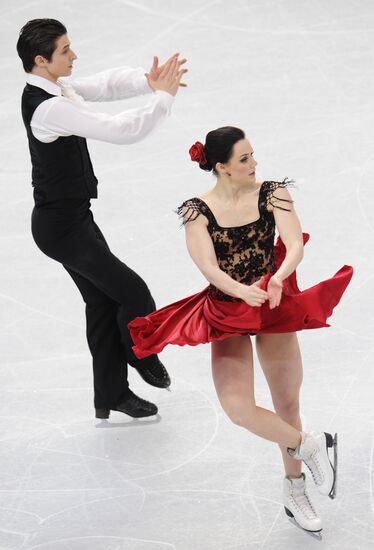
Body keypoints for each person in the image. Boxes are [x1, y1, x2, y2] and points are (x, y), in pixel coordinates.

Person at [129, 126, 353, 538]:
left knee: (287, 402)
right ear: (222, 167)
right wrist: (239, 291)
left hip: (272, 304)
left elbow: (294, 244)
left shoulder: (273, 193)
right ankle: (309, 443)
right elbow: (208, 267)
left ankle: (295, 489)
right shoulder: (196, 210)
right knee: (238, 409)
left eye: (253, 155)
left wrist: (279, 277)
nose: (255, 164)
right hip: (228, 309)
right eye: (245, 159)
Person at [17, 18, 188, 420]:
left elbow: (106, 84)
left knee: (101, 302)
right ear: (41, 60)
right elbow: (121, 129)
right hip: (61, 229)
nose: (74, 55)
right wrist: (162, 99)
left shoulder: (57, 88)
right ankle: (140, 355)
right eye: (65, 51)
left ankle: (111, 395)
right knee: (133, 293)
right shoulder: (50, 108)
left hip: (73, 220)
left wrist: (148, 81)